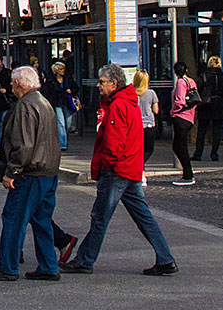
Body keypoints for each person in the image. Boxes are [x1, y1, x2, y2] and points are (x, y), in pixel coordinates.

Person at [59, 64, 178, 277]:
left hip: (117, 170)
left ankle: (85, 260)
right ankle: (165, 258)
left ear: (114, 84)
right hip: (129, 167)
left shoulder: (117, 105)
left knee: (100, 216)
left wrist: (108, 165)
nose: (98, 85)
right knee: (143, 216)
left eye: (102, 82)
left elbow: (114, 141)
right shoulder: (129, 101)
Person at [0, 66, 62, 282]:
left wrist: (12, 172)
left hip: (31, 172)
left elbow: (24, 145)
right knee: (41, 219)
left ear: (19, 83)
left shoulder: (25, 107)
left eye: (12, 82)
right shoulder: (43, 103)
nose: (10, 85)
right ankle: (48, 265)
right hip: (48, 170)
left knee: (14, 217)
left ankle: (7, 266)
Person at [192, 56, 223, 162]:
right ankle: (214, 154)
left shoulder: (204, 76)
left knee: (202, 130)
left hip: (206, 104)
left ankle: (198, 153)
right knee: (217, 131)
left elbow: (197, 90)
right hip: (219, 104)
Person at [170, 61, 197, 186]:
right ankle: (187, 172)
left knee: (179, 146)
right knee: (180, 145)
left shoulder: (181, 82)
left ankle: (188, 174)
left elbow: (180, 101)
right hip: (190, 116)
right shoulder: (191, 81)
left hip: (181, 117)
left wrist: (173, 111)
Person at [42, 62, 78, 151]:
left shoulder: (68, 79)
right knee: (61, 123)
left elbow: (76, 88)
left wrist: (71, 91)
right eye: (61, 69)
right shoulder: (51, 80)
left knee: (68, 124)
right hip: (57, 102)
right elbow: (47, 92)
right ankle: (62, 144)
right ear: (56, 71)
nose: (63, 71)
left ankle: (63, 138)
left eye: (63, 69)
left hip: (67, 102)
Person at [134, 71, 159, 174]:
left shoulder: (132, 93)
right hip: (149, 124)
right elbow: (156, 110)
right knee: (148, 150)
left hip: (136, 125)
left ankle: (140, 171)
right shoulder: (151, 93)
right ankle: (140, 168)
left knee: (137, 151)